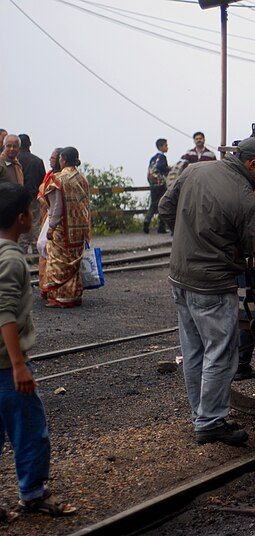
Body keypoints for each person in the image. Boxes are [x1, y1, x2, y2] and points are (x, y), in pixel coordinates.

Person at [159, 137, 255, 446]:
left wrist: (185, 237)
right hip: (213, 284)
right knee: (220, 353)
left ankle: (202, 416)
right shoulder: (247, 201)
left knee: (194, 350)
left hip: (179, 278)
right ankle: (211, 421)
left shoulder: (194, 171)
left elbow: (164, 207)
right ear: (252, 165)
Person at [0, 182, 76, 521]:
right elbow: (4, 312)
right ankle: (32, 493)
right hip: (5, 365)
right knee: (30, 427)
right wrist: (19, 365)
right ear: (22, 219)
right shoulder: (11, 259)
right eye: (32, 211)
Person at [41, 148, 91, 309]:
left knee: (58, 262)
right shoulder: (82, 178)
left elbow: (56, 207)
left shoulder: (58, 179)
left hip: (63, 229)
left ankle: (60, 297)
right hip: (80, 228)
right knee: (74, 264)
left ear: (63, 160)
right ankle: (74, 295)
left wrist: (51, 227)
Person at [35, 148, 63, 296]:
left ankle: (51, 287)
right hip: (47, 216)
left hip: (53, 218)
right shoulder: (49, 175)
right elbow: (41, 191)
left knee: (48, 250)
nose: (50, 160)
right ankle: (45, 286)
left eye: (53, 158)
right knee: (44, 251)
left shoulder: (59, 177)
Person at [145, 139, 169, 234]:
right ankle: (161, 227)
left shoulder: (153, 158)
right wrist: (169, 169)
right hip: (160, 183)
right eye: (166, 145)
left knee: (153, 203)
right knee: (162, 203)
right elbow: (161, 167)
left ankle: (147, 219)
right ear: (161, 147)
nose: (167, 147)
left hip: (153, 183)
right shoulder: (162, 157)